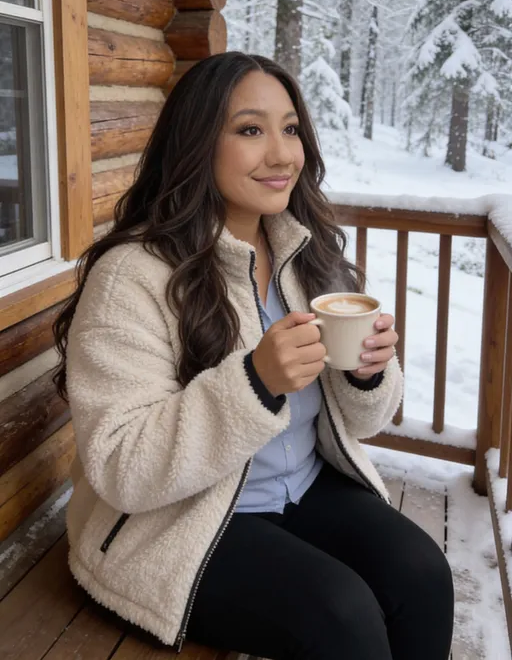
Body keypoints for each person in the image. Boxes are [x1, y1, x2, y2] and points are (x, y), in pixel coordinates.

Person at [54, 51, 454, 660]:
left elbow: (366, 423)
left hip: (305, 487)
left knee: (425, 575)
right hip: (185, 520)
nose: (282, 154)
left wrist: (368, 375)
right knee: (343, 620)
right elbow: (120, 465)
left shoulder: (304, 251)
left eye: (290, 129)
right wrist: (255, 381)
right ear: (195, 145)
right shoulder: (133, 276)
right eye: (249, 130)